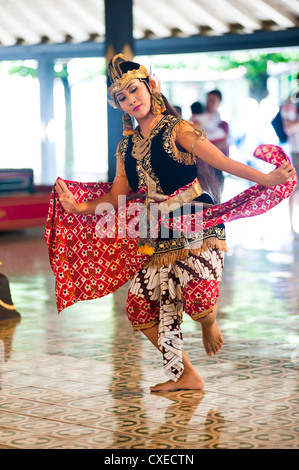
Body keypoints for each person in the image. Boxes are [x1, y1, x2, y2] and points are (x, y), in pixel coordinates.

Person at [54, 54, 295, 392]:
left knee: (198, 302)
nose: (131, 100)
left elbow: (222, 161)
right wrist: (78, 208)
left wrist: (267, 179)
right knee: (139, 308)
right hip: (158, 232)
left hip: (197, 220)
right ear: (118, 105)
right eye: (122, 97)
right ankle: (185, 375)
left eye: (135, 90)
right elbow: (117, 194)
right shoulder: (126, 146)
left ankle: (209, 321)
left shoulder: (178, 129)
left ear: (151, 87)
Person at [281, 73, 299, 233]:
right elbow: (288, 128)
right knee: (295, 188)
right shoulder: (292, 102)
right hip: (297, 150)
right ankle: (293, 225)